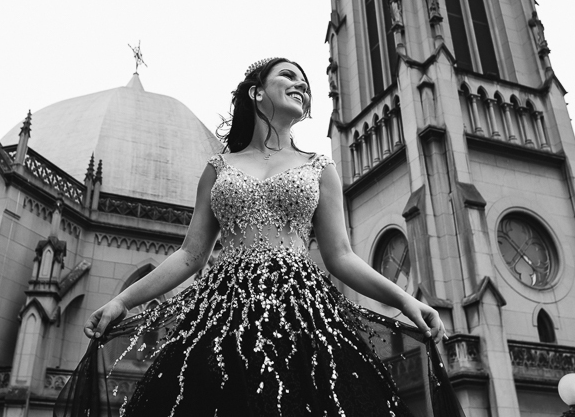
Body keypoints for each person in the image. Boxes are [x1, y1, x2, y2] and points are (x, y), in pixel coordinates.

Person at [56, 58, 463, 417]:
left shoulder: (320, 168)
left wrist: (408, 302)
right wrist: (121, 302)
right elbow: (190, 255)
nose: (302, 84)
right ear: (256, 92)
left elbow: (341, 257)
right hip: (223, 315)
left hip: (301, 314)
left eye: (306, 82)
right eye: (289, 75)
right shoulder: (218, 168)